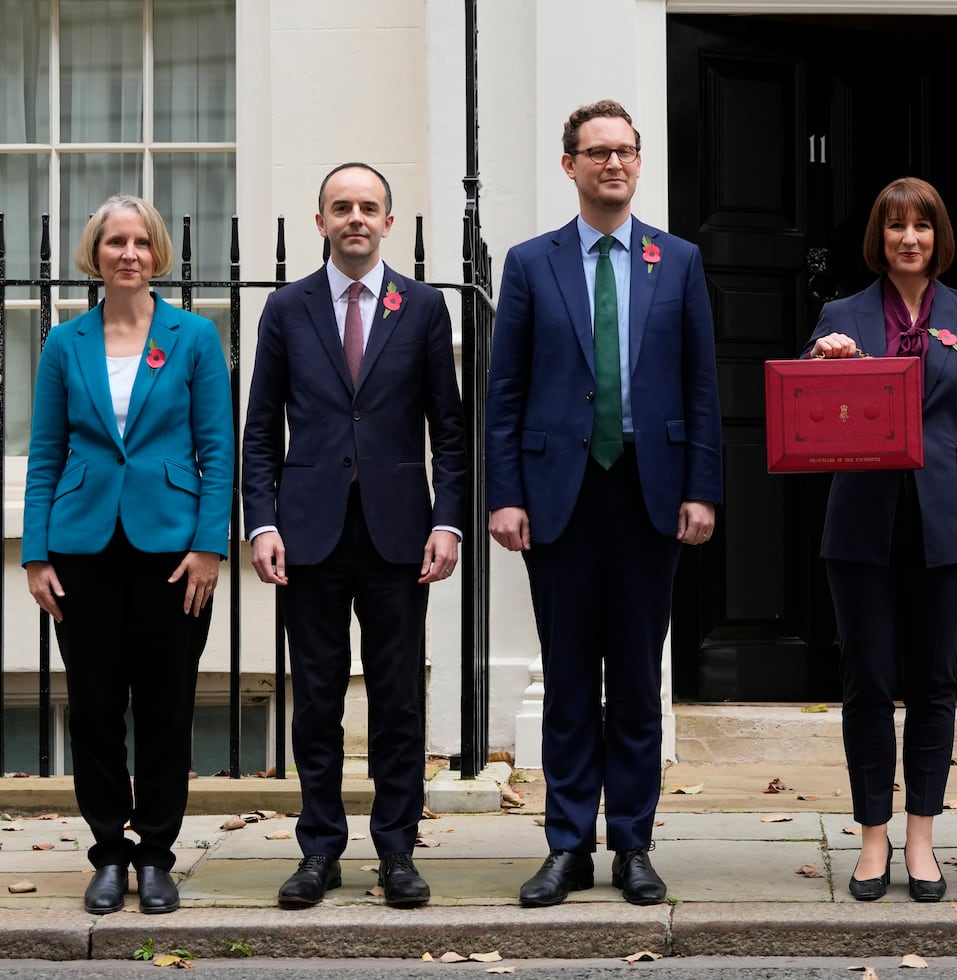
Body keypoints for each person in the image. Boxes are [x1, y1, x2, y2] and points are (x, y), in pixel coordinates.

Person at [486, 99, 722, 908]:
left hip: (651, 493)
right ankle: (565, 845)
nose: (612, 164)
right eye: (597, 153)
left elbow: (700, 383)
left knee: (634, 676)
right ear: (570, 166)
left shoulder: (678, 260)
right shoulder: (529, 262)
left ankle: (632, 844)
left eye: (624, 151)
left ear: (638, 161)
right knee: (567, 680)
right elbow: (504, 389)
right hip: (559, 495)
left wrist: (702, 487)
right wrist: (504, 495)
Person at [241, 162, 466, 910]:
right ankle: (319, 850)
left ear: (389, 222)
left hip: (401, 535)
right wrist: (263, 520)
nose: (356, 218)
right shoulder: (287, 308)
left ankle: (397, 851)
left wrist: (449, 519)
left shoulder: (425, 307)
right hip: (308, 534)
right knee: (318, 700)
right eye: (341, 207)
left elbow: (452, 430)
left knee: (398, 701)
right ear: (321, 222)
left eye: (368, 207)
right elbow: (260, 432)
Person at [23, 195, 233, 916]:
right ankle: (109, 853)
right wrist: (34, 553)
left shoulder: (194, 337)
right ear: (95, 253)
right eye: (115, 241)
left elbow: (216, 449)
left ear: (158, 252)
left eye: (141, 241)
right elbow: (46, 451)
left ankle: (156, 857)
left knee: (168, 709)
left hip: (172, 551)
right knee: (94, 709)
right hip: (81, 551)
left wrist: (210, 545)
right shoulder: (65, 342)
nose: (129, 253)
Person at [804, 176, 957, 904]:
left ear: (940, 235)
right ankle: (871, 838)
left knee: (936, 682)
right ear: (879, 238)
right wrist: (823, 367)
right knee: (866, 682)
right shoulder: (841, 315)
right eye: (895, 227)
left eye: (922, 226)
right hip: (861, 523)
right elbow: (809, 423)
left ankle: (921, 837)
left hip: (949, 523)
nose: (910, 239)